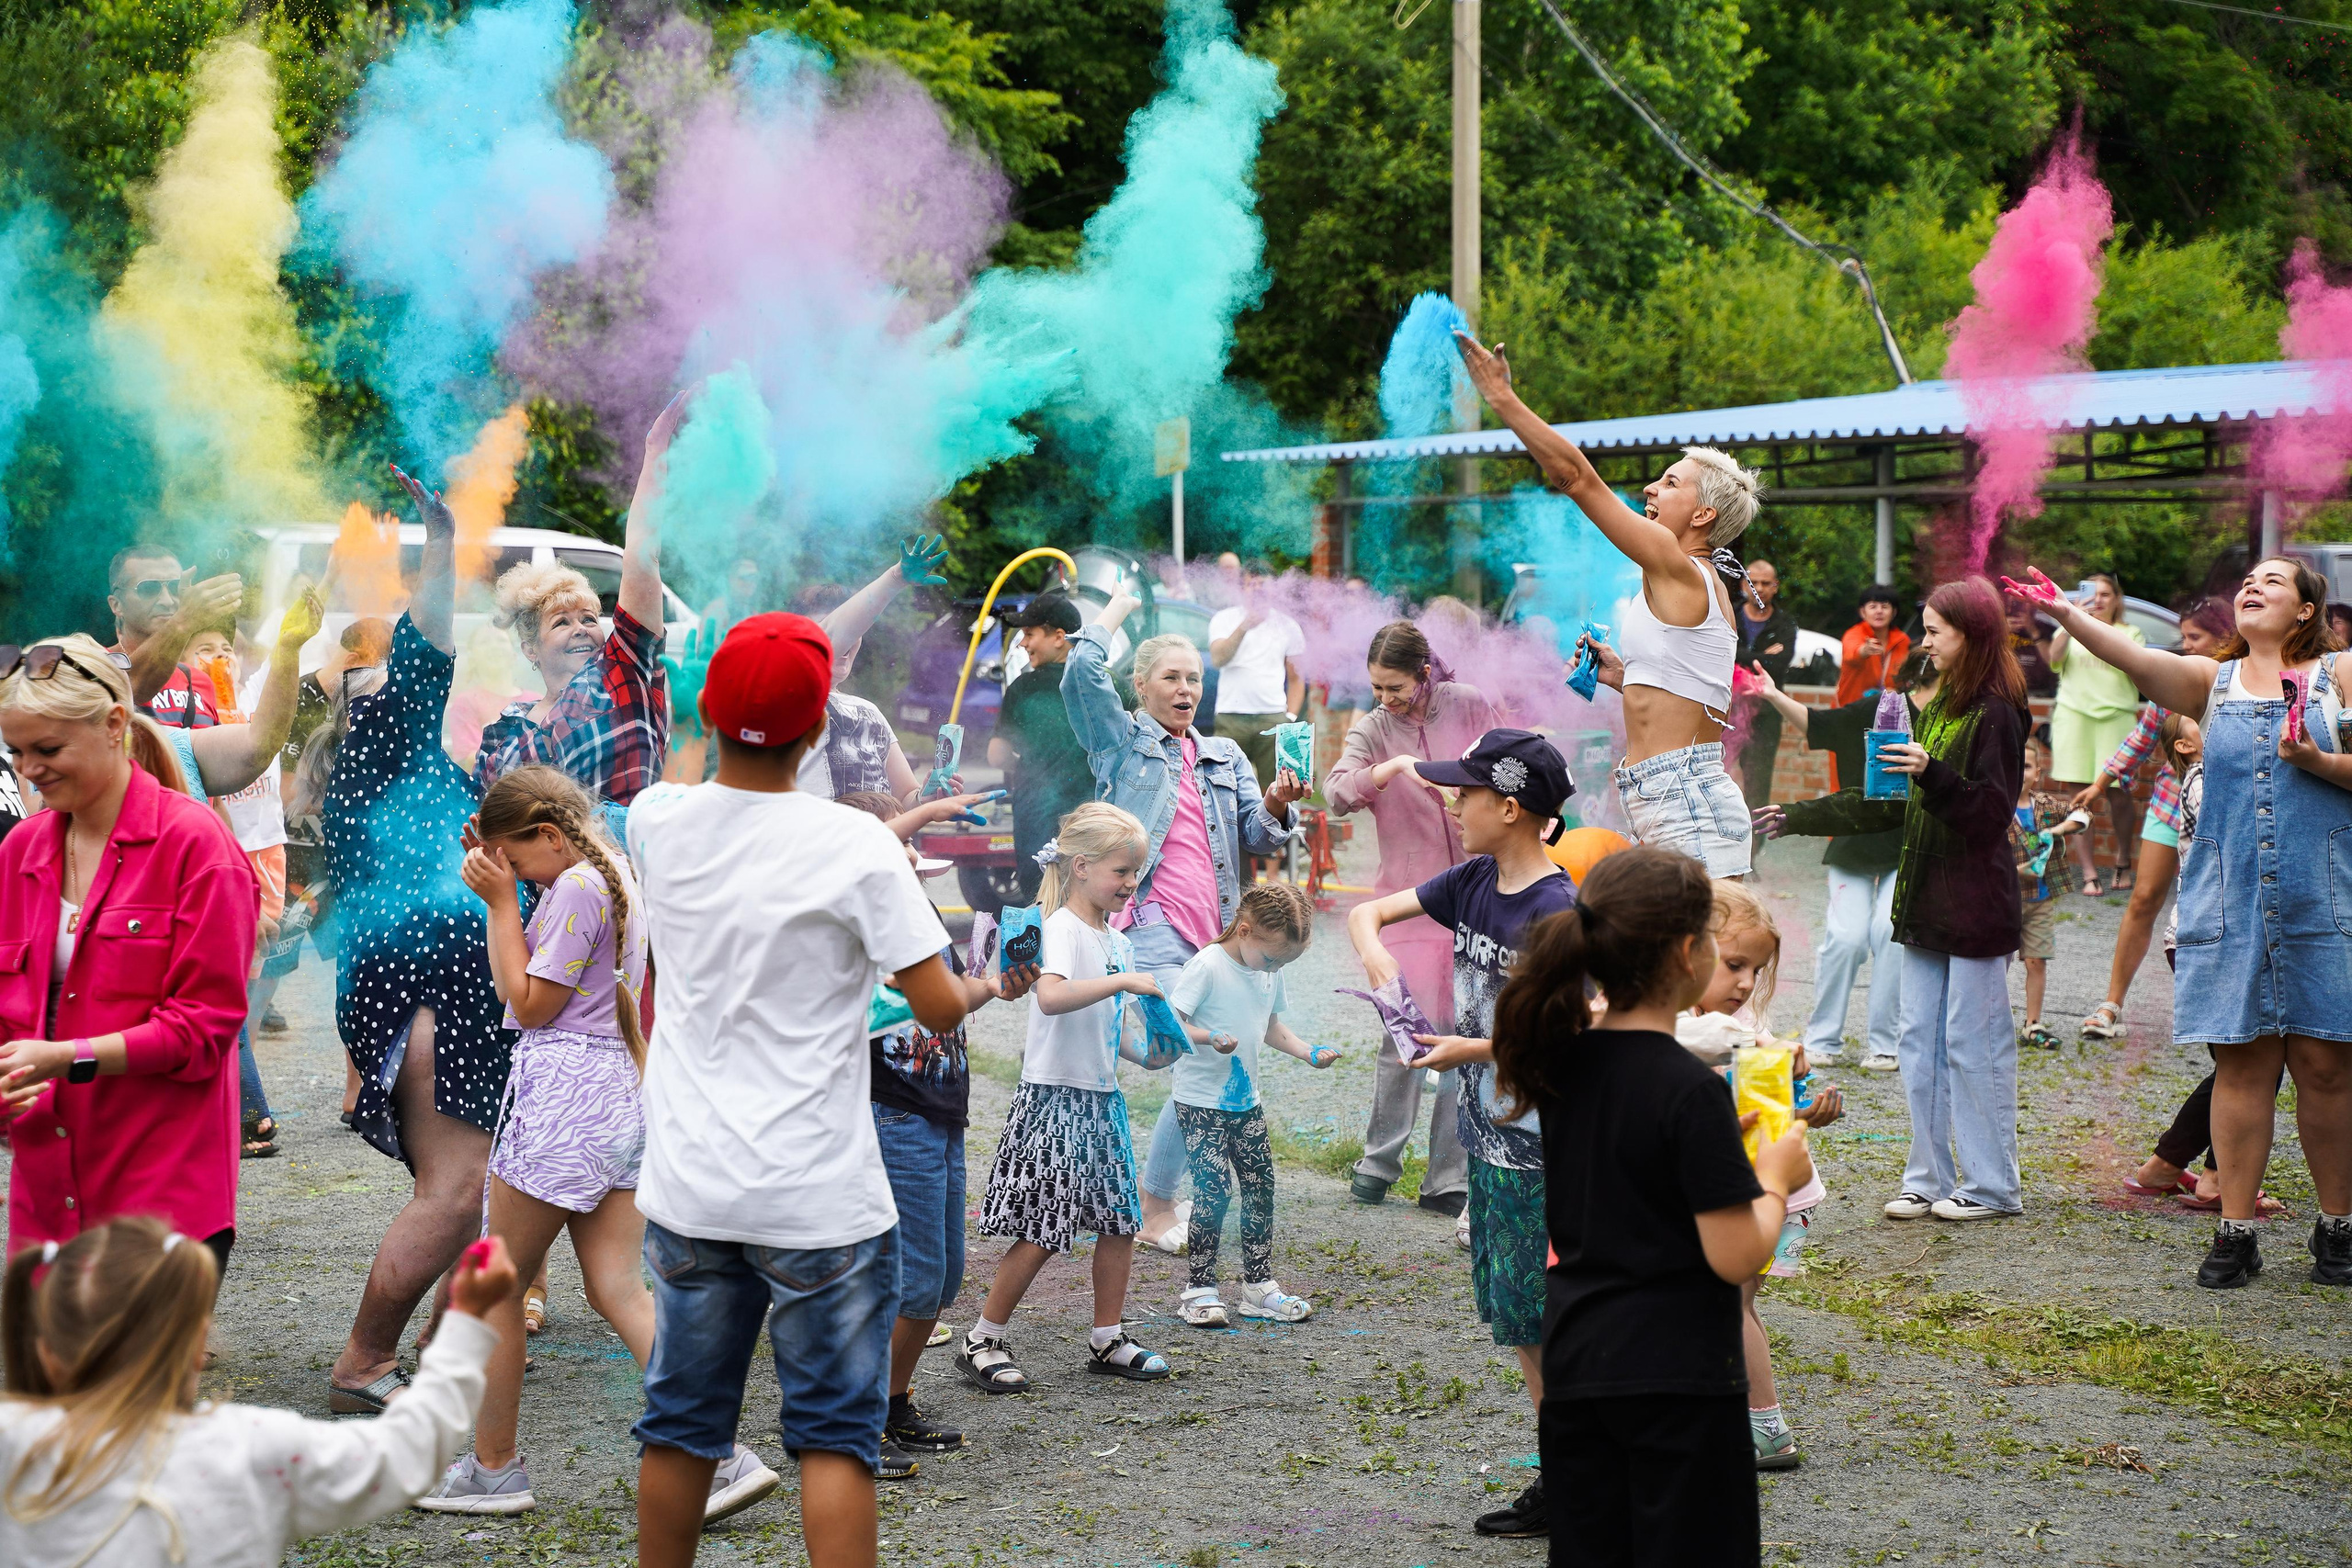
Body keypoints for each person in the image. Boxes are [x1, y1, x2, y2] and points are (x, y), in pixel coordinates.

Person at [625, 611, 967, 1567]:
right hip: (819, 1195)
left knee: (682, 1424)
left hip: (693, 1185)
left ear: (708, 712)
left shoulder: (660, 820)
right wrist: (975, 979)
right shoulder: (855, 847)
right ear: (824, 728)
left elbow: (680, 790)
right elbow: (936, 1003)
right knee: (833, 1439)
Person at [2013, 556, 2352, 1289]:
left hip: (2324, 899)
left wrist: (2317, 761)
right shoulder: (2207, 682)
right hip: (2228, 904)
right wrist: (2066, 615)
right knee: (2243, 1065)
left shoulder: (2341, 674)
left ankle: (2338, 1227)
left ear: (2303, 609)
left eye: (2273, 580)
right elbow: (2130, 654)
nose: (2253, 586)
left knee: (2326, 1067)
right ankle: (2236, 1230)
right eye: (2248, 580)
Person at [1490, 847, 1815, 1567]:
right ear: (1687, 952)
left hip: (1578, 1360)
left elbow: (1627, 1174)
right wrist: (1773, 1177)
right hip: (1676, 1377)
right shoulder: (1690, 1088)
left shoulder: (1565, 1059)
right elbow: (1735, 1253)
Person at [1346, 729, 1577, 1540]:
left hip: (1538, 1147)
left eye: (1466, 792)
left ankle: (1570, 1479)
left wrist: (1467, 1047)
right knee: (1519, 1318)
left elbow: (1574, 1035)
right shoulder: (1477, 875)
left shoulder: (1556, 911)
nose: (1452, 800)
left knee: (1539, 1321)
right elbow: (1369, 910)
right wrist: (1379, 960)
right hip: (1491, 1134)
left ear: (1510, 807)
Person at [0, 1218, 518, 1568]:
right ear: (200, 1346)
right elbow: (406, 1453)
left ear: (45, 1349)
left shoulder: (14, 1441)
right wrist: (465, 1324)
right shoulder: (251, 1446)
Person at [414, 767, 654, 1515]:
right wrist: (505, 870)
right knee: (620, 1287)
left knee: (498, 1283)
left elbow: (528, 1000)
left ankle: (494, 1471)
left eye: (517, 860)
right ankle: (715, 1452)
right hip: (614, 1092)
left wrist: (497, 905)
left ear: (550, 835)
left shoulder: (577, 887)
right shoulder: (610, 872)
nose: (513, 875)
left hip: (563, 1099)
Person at [323, 467, 512, 1417]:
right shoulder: (383, 734)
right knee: (459, 1185)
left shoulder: (399, 760)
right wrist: (440, 545)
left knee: (482, 1188)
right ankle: (363, 1362)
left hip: (441, 992)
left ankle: (443, 1345)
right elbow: (428, 642)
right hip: (431, 994)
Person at [1758, 577, 2031, 1224]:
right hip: (1924, 902)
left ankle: (1994, 1186)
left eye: (1937, 630)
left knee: (1973, 1044)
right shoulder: (1931, 709)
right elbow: (1885, 803)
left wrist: (1932, 774)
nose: (1925, 640)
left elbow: (1990, 814)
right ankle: (1927, 1176)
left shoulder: (1996, 713)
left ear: (1974, 635)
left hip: (1976, 907)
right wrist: (1796, 815)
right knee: (1918, 1042)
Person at [1455, 331, 1761, 877]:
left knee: (1703, 963)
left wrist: (1502, 399)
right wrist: (1625, 675)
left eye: (1670, 484)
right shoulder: (1690, 577)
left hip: (1685, 800)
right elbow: (1690, 688)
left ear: (1702, 516)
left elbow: (1575, 478)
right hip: (1667, 796)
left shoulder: (1678, 564)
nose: (1649, 488)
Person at [0, 638, 258, 1266]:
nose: (28, 769)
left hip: (161, 1196)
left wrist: (65, 1056)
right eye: (16, 751)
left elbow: (203, 1030)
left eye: (49, 748)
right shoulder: (19, 851)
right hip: (46, 1199)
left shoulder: (197, 846)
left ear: (115, 723)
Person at [1063, 589, 1304, 1254]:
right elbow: (1080, 675)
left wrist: (1281, 802)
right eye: (1171, 677)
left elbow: (1260, 836)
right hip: (1150, 923)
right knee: (1200, 1050)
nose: (1186, 688)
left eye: (1194, 677)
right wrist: (1112, 611)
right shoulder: (1121, 743)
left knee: (1208, 1054)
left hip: (1217, 932)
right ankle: (1154, 1200)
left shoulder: (1225, 754)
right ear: (1140, 686)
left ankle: (1149, 1177)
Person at [837, 790, 1039, 1477]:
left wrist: (995, 985)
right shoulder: (850, 908)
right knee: (910, 1276)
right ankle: (855, 1424)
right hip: (891, 1106)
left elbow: (950, 998)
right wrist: (924, 812)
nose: (906, 851)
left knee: (942, 1274)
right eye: (892, 837)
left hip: (940, 1106)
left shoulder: (910, 905)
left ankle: (892, 1402)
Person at [958, 803, 1182, 1393]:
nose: (1131, 883)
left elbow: (1116, 1030)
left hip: (1100, 1100)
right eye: (1122, 871)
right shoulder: (1057, 927)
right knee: (1040, 1229)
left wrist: (1151, 1051)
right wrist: (1125, 982)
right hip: (1053, 1101)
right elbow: (1051, 998)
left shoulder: (1118, 941)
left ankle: (1107, 1336)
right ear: (1080, 866)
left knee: (1118, 1221)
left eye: (1137, 872)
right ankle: (982, 1335)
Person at [1323, 619, 1500, 1213]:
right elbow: (1337, 791)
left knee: (1463, 1033)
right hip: (1408, 898)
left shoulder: (1469, 704)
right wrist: (1394, 769)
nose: (1385, 698)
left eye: (1394, 687)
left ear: (1425, 672)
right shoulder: (1373, 727)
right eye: (1376, 687)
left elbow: (1506, 765)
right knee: (1401, 1028)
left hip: (1477, 894)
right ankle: (1379, 1160)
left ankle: (1446, 1177)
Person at [1672, 879, 1843, 1472]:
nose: (1746, 984)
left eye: (1756, 969)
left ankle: (1767, 1433)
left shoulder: (1747, 1034)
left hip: (1764, 1198)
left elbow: (1761, 1115)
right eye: (1735, 965)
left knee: (1727, 1308)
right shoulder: (1675, 1024)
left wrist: (1803, 1103)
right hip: (1735, 1197)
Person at [474, 398, 681, 819]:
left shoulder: (621, 677)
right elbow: (495, 822)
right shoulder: (505, 733)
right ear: (530, 648)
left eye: (589, 618)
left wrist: (655, 453)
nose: (582, 627)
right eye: (561, 622)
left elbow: (642, 559)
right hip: (545, 886)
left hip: (626, 873)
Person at [1745, 650, 1937, 1070]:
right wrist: (1774, 696)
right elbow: (1820, 724)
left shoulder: (1951, 723)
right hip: (1857, 841)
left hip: (1909, 847)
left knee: (1889, 933)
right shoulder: (1878, 708)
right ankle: (1822, 1039)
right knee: (1846, 939)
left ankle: (1886, 1043)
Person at [1169, 881, 1335, 1329]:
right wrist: (1209, 1037)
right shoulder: (1207, 965)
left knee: (1261, 1185)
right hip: (1200, 1102)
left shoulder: (1268, 970)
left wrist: (1307, 1052)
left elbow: (1270, 1026)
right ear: (1243, 930)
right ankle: (1199, 1289)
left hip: (1246, 1103)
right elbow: (1170, 1025)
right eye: (1274, 957)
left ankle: (1257, 1287)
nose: (1276, 967)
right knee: (1213, 1191)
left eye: (1285, 961)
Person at [2069, 598, 2232, 1043]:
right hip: (2169, 805)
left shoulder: (2244, 682)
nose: (2185, 645)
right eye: (2183, 636)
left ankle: (2223, 1015)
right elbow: (2141, 740)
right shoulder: (2174, 682)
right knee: (2143, 899)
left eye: (2194, 637)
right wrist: (2101, 784)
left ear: (2224, 638)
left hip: (2229, 813)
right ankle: (2111, 1003)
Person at [798, 536, 956, 807]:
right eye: (840, 630)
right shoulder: (783, 697)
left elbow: (906, 798)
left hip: (874, 848)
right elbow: (829, 637)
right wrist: (895, 578)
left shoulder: (868, 711)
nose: (847, 640)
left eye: (856, 631)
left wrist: (929, 796)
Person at [988, 590, 1092, 905]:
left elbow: (997, 755)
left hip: (1037, 815)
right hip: (1096, 814)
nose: (1022, 643)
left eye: (1029, 634)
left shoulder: (1025, 688)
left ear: (1059, 637)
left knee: (1042, 904)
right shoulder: (1105, 683)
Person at [2047, 572, 2146, 895]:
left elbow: (2134, 667)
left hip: (2116, 719)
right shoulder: (2070, 627)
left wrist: (2095, 628)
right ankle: (2089, 872)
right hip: (2074, 718)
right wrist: (2069, 619)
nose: (2099, 600)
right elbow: (2054, 659)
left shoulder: (2132, 633)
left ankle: (2122, 860)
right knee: (2079, 797)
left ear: (2117, 600)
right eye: (2094, 594)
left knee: (2118, 795)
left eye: (2106, 594)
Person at [105, 545, 239, 729]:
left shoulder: (199, 681)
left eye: (175, 587)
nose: (167, 601)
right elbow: (130, 687)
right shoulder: (91, 664)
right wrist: (184, 620)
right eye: (149, 589)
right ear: (116, 605)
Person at [2011, 731, 2088, 1049]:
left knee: (2036, 960)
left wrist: (2058, 829)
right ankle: (1988, 1018)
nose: (2021, 772)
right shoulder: (1996, 807)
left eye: (2027, 766)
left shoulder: (2044, 805)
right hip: (2004, 899)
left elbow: (2083, 814)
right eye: (2014, 765)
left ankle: (2033, 1023)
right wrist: (2015, 872)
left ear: (2038, 773)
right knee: (1995, 961)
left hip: (2039, 900)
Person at [1207, 559, 1306, 792]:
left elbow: (1296, 678)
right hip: (1231, 717)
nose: (1257, 589)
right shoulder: (1224, 619)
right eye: (1251, 584)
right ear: (1241, 588)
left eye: (1263, 584)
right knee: (1226, 787)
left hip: (1272, 718)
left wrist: (1289, 718)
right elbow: (1218, 658)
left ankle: (1274, 829)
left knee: (1276, 789)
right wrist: (1244, 627)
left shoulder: (1288, 625)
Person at [1734, 558, 1797, 809]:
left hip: (1765, 715)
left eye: (1765, 583)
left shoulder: (1784, 623)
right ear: (1744, 585)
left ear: (1775, 586)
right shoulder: (1730, 614)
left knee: (1758, 783)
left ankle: (1754, 844)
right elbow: (1722, 653)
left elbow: (1780, 663)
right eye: (1753, 582)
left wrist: (1742, 656)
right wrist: (1763, 658)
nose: (1758, 588)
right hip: (1728, 709)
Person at [1833, 586, 1910, 713]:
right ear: (1863, 612)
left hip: (1888, 713)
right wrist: (1864, 650)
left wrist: (1895, 690)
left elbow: (1908, 674)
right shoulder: (1853, 634)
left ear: (1894, 612)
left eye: (1885, 607)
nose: (1879, 611)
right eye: (1873, 607)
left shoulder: (1903, 640)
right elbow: (1851, 654)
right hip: (1852, 711)